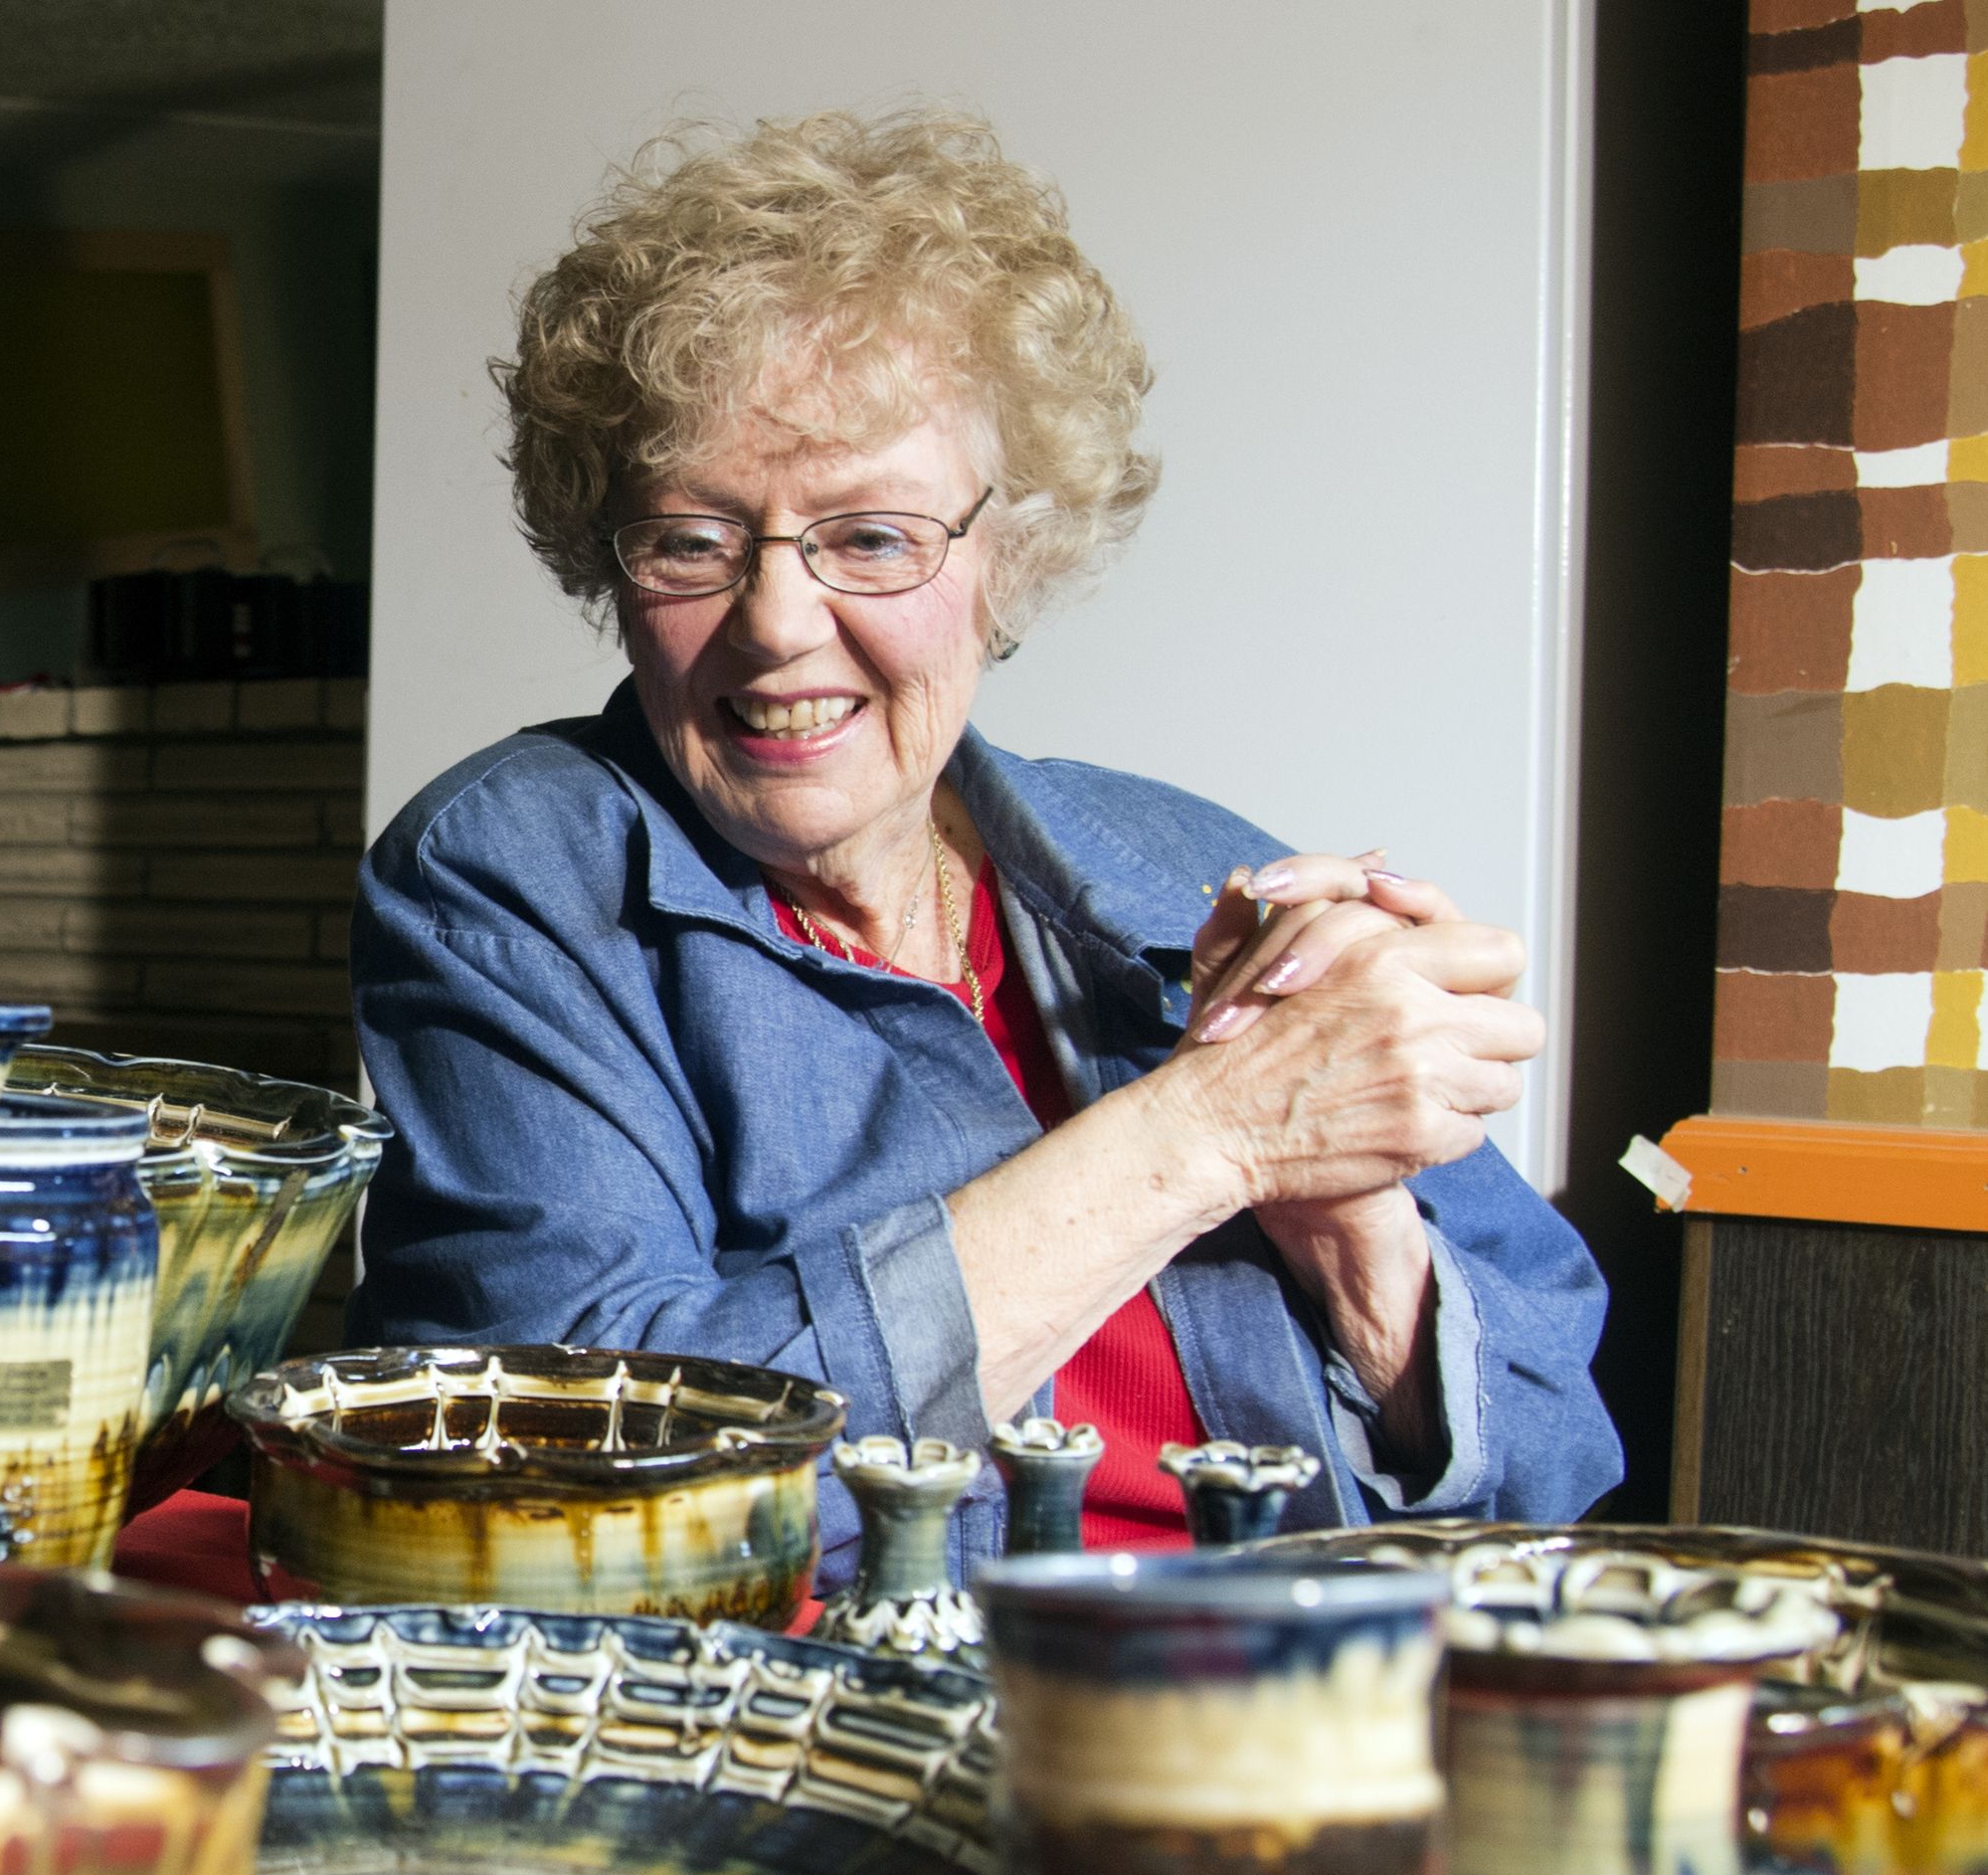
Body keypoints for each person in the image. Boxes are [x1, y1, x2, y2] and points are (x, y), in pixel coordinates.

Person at [348, 106, 1619, 1582]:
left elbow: (1559, 1459)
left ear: (1010, 556)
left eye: (871, 538)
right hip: (863, 1735)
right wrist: (1210, 1132)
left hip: (1291, 1699)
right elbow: (585, 1492)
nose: (773, 623)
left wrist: (1351, 1231)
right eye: (692, 539)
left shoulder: (1183, 858)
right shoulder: (513, 872)